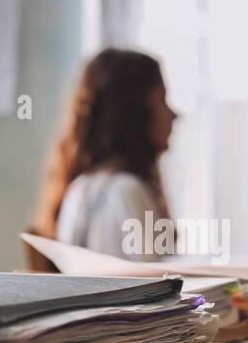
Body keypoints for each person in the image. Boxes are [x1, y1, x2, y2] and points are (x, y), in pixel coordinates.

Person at [35, 48, 178, 260]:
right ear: (136, 113)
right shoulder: (127, 191)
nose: (174, 115)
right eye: (163, 100)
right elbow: (162, 288)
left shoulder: (79, 189)